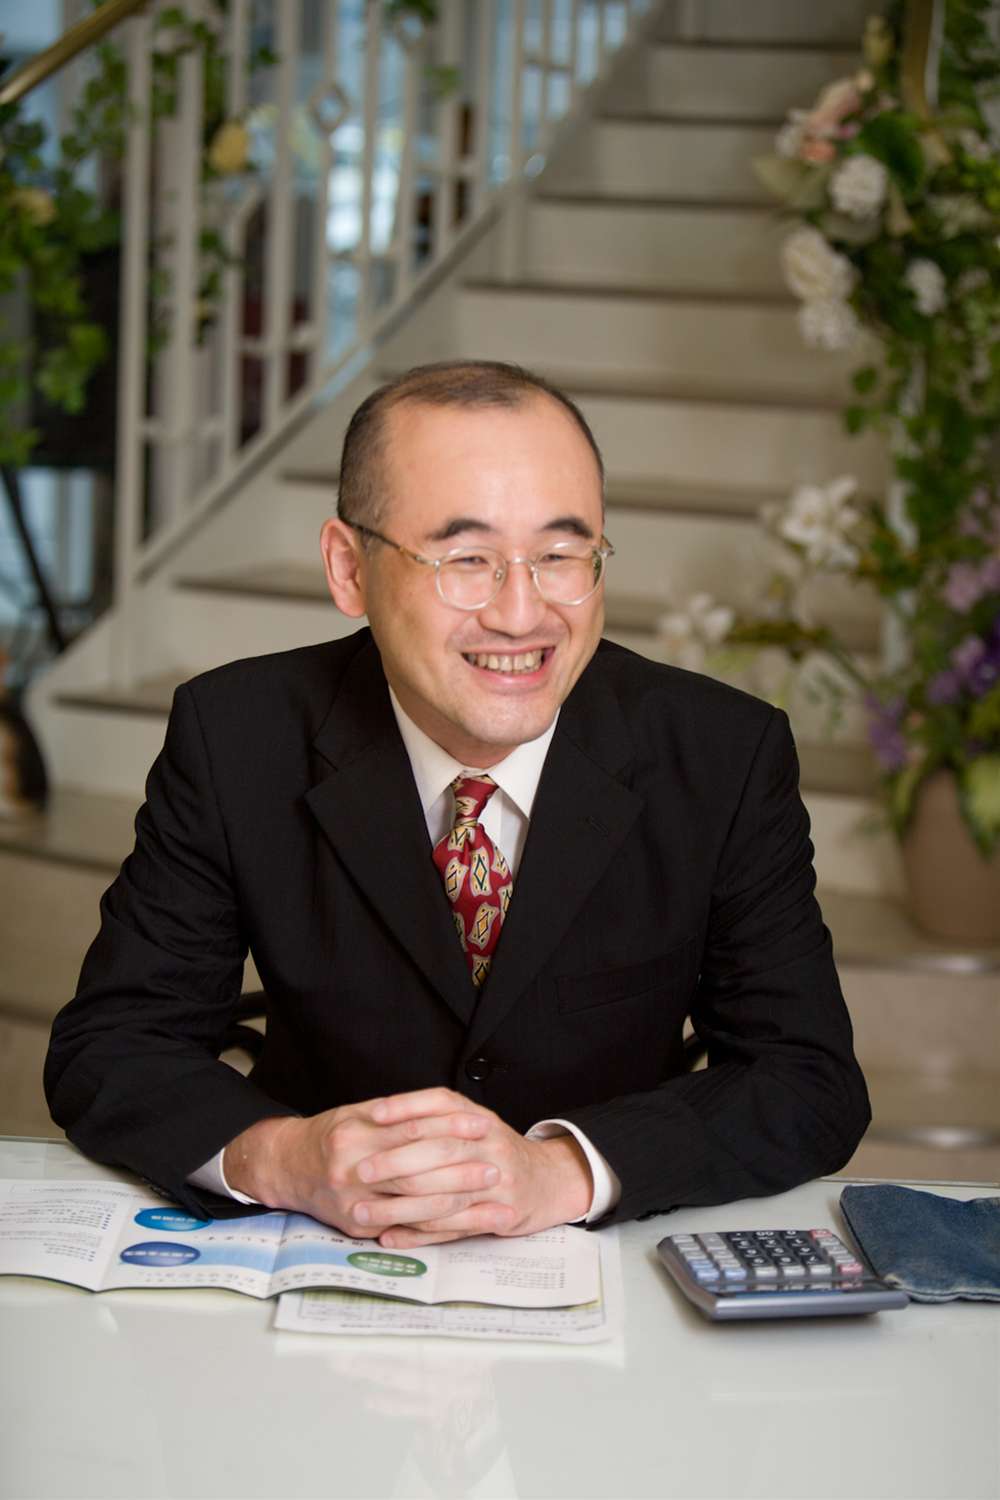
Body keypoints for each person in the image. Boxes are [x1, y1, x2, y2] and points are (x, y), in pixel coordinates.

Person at [45, 360, 870, 1245]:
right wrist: (285, 1157)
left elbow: (807, 1079)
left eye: (560, 556)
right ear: (349, 569)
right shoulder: (237, 736)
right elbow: (114, 1045)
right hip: (323, 1246)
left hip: (600, 1257)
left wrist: (561, 1172)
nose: (521, 615)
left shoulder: (722, 754)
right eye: (467, 560)